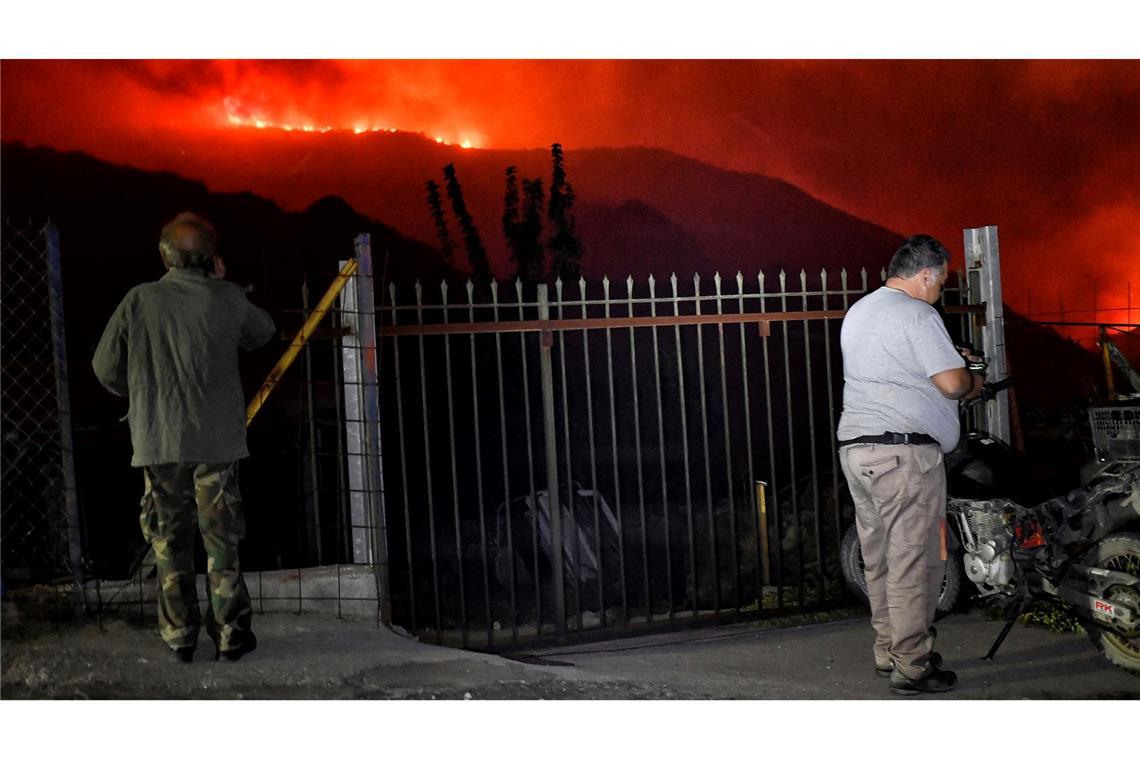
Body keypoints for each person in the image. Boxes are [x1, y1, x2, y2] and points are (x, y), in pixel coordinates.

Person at [93, 212, 276, 663]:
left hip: (160, 440)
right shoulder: (226, 298)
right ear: (211, 255)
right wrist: (224, 283)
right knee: (221, 540)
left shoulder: (139, 300)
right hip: (217, 443)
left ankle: (179, 637)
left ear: (164, 254)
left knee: (169, 542)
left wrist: (137, 391)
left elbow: (103, 368)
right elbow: (263, 333)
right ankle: (231, 634)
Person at [836, 234, 984, 695]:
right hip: (904, 455)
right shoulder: (918, 312)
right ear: (925, 274)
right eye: (941, 279)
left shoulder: (861, 311)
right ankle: (914, 666)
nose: (942, 287)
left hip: (858, 450)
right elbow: (953, 384)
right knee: (915, 563)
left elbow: (896, 369)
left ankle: (890, 651)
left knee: (879, 560)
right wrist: (972, 380)